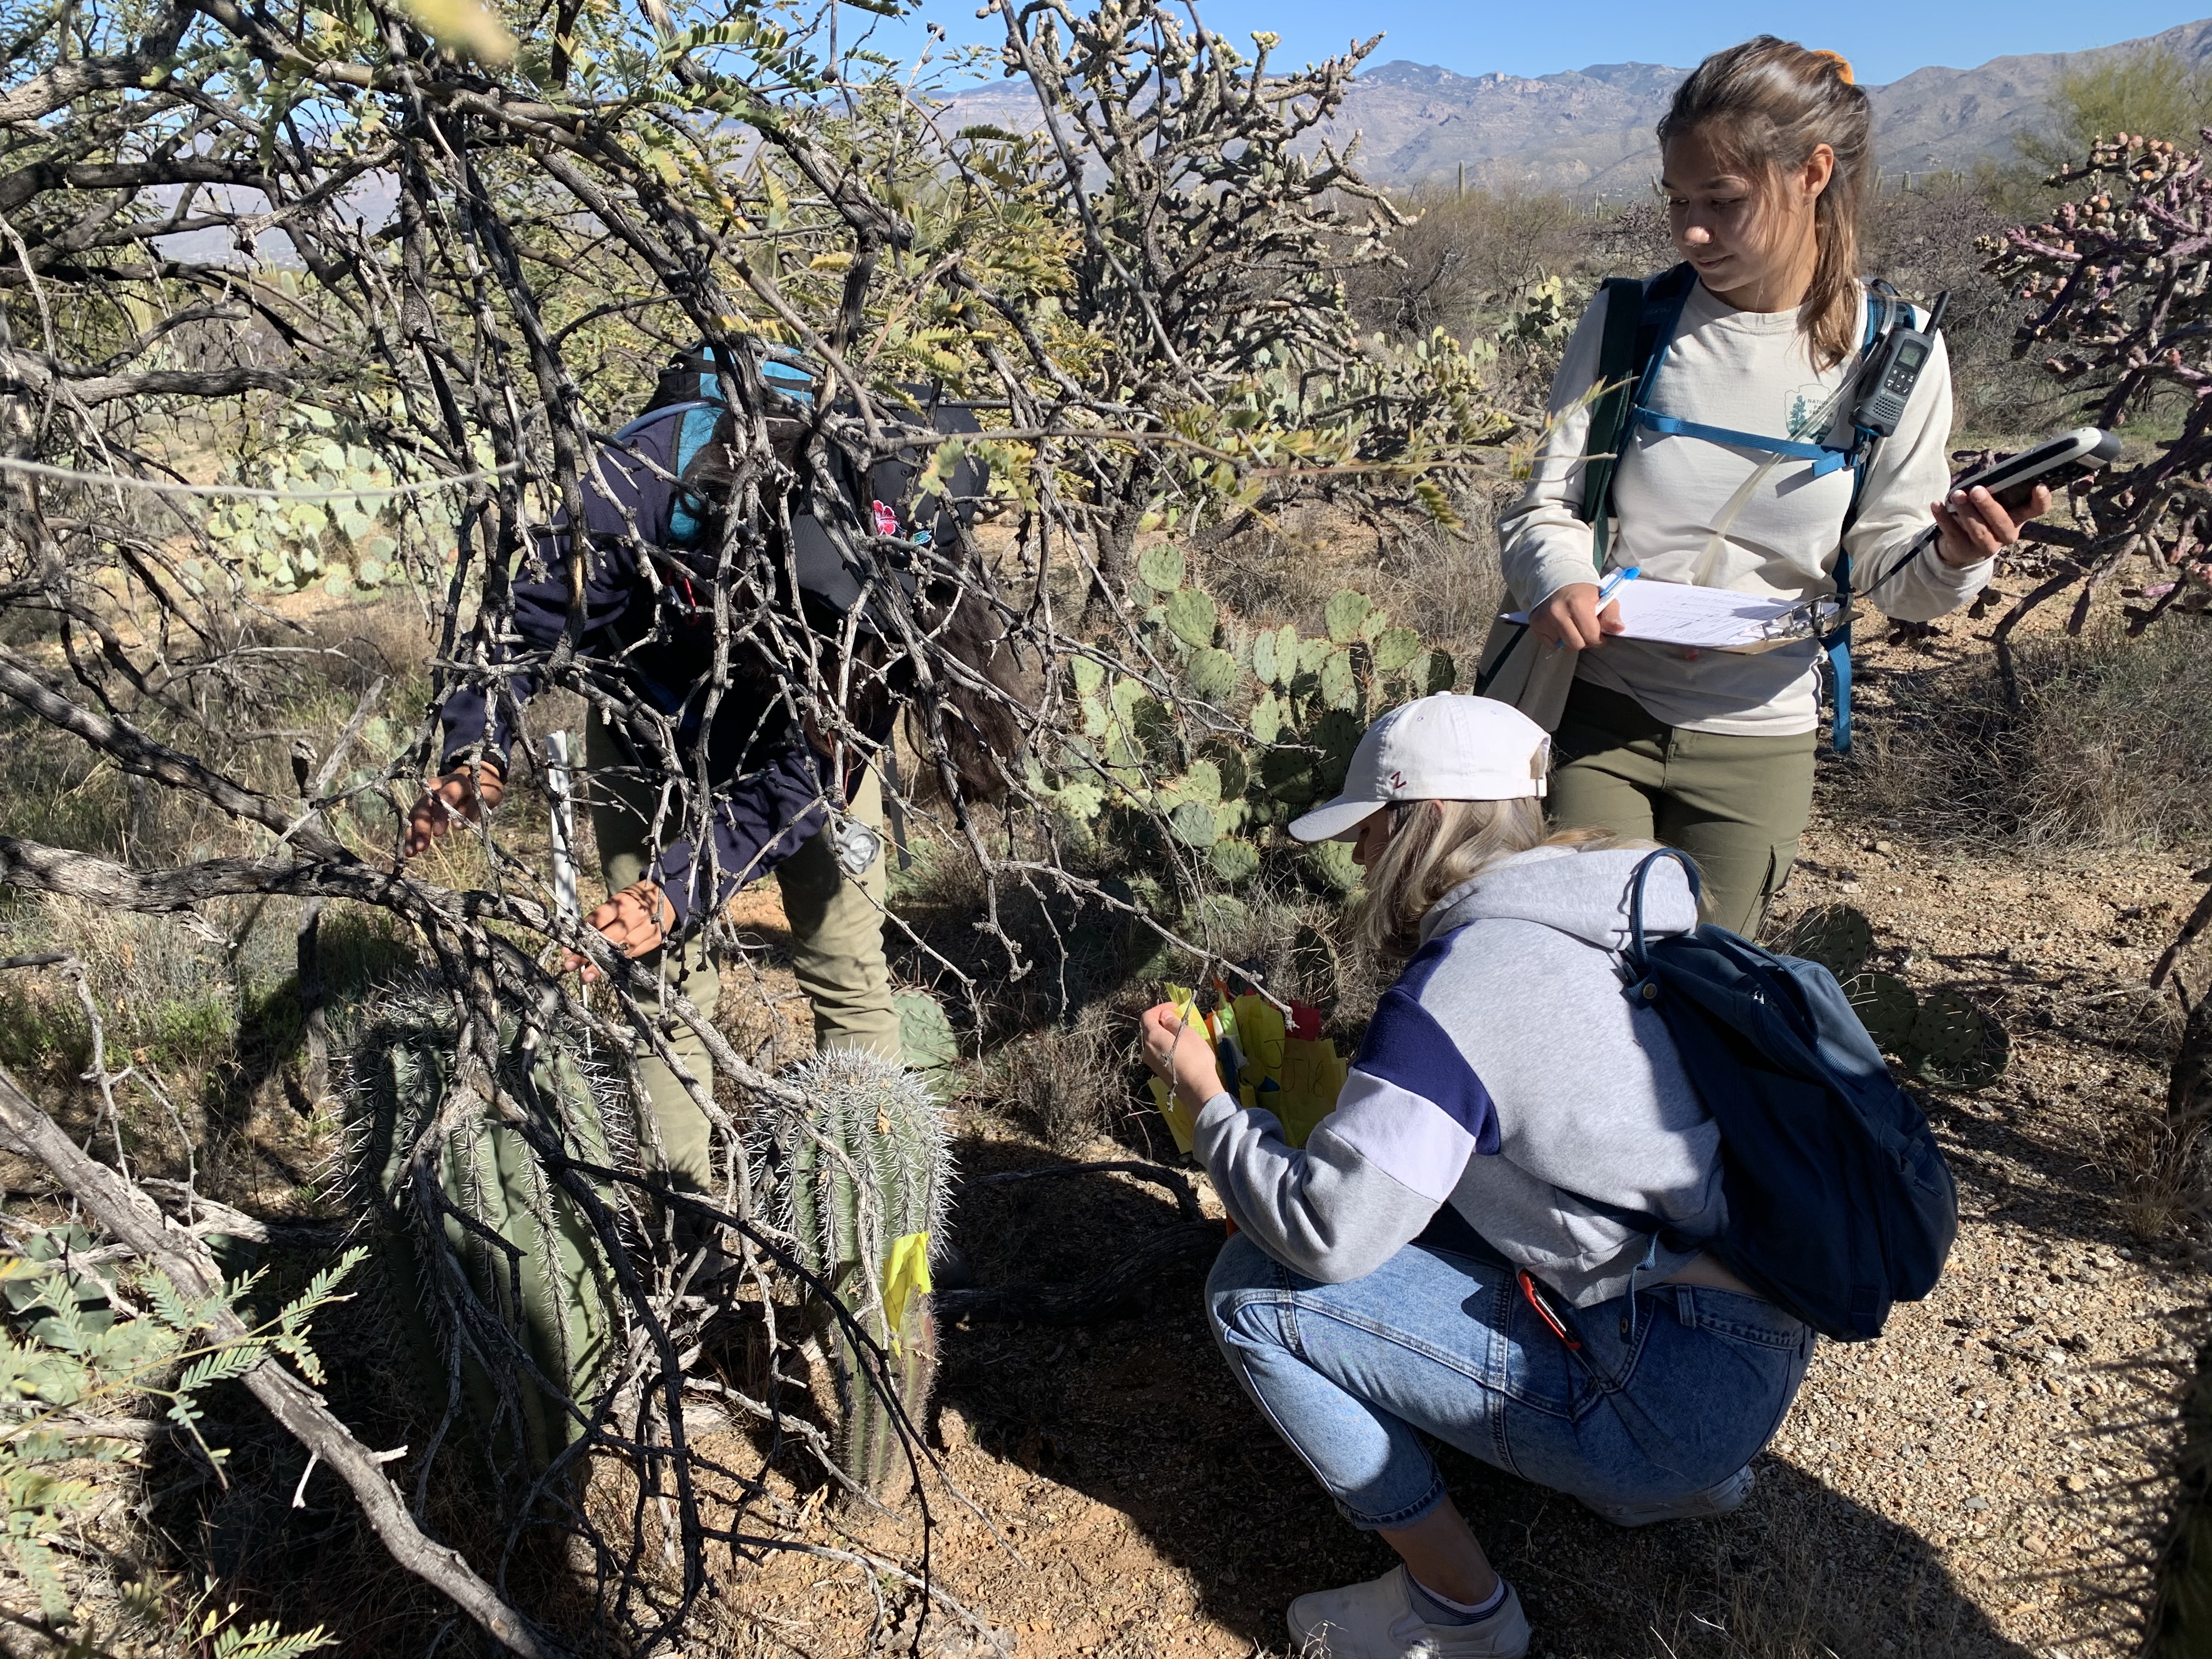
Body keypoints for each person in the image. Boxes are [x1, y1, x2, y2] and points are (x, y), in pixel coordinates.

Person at [1141, 694, 1811, 1659]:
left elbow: (1330, 1236)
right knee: (1439, 1210)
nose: (1361, 862)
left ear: (1419, 824)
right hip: (1752, 1338)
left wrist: (1210, 1104)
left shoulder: (1463, 988)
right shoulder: (1628, 912)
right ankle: (1675, 1481)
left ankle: (1458, 1613)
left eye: (1369, 833)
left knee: (1253, 1292)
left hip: (1662, 1393)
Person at [404, 345, 1017, 1199]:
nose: (851, 662)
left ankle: (883, 1218)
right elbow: (520, 625)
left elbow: (816, 772)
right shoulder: (635, 493)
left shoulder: (911, 528)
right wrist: (479, 750)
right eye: (829, 639)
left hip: (802, 745)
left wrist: (684, 885)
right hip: (651, 720)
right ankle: (683, 1222)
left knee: (846, 962)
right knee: (659, 981)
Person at [1498, 37, 2051, 935]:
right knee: (1587, 963)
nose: (1691, 232)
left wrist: (1954, 555)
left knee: (1709, 993)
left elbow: (1893, 578)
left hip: (1760, 736)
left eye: (1722, 202)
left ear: (1812, 175)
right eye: (1678, 201)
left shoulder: (1897, 352)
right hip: (1600, 708)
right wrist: (1558, 576)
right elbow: (1546, 502)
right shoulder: (1631, 322)